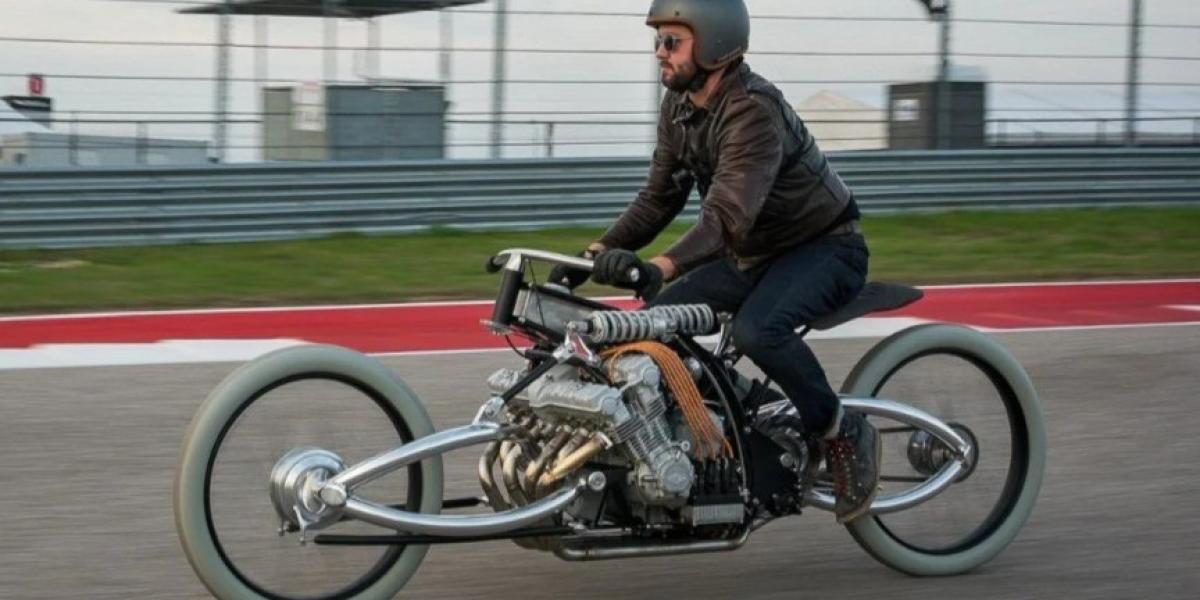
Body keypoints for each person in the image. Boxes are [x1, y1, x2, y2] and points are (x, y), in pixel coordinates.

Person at [548, 0, 879, 523]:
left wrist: (658, 266)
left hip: (824, 247)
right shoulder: (679, 107)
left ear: (715, 45)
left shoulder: (753, 110)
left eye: (672, 42)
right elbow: (658, 199)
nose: (660, 52)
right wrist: (594, 255)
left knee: (759, 332)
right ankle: (751, 420)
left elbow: (726, 218)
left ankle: (842, 430)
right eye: (657, 41)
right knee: (652, 333)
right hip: (753, 256)